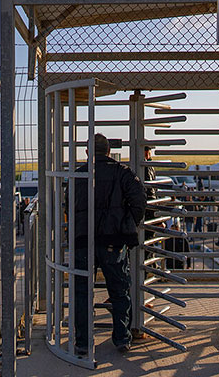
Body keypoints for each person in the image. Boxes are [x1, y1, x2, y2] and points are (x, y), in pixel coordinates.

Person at [73, 133, 146, 354]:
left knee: (82, 292)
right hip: (113, 241)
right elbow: (139, 201)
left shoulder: (78, 175)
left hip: (83, 240)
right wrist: (126, 224)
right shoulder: (122, 173)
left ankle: (83, 343)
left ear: (87, 152)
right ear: (108, 151)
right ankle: (122, 338)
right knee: (119, 290)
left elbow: (69, 205)